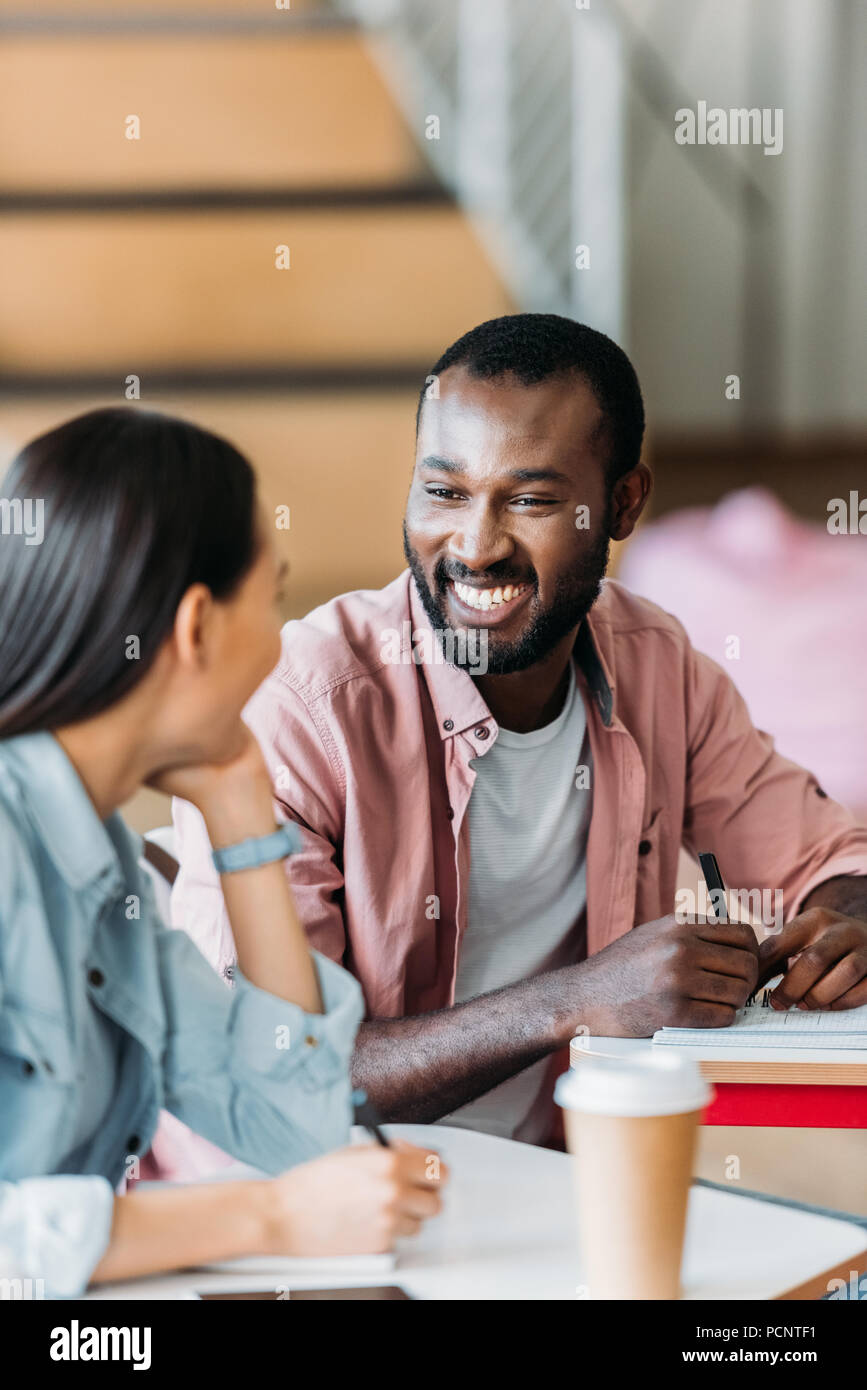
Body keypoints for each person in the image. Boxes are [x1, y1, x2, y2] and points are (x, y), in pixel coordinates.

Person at [172, 313, 867, 1149]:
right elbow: (276, 1076)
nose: (475, 544)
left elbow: (831, 860)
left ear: (622, 503)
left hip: (563, 1186)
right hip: (320, 1211)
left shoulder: (656, 665)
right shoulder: (300, 706)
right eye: (444, 492)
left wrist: (845, 924)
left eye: (531, 499)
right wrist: (573, 1003)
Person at [0, 407, 444, 1298]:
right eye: (270, 596)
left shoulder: (105, 867)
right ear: (197, 626)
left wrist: (245, 827)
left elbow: (290, 1125)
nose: (282, 637)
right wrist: (268, 1220)